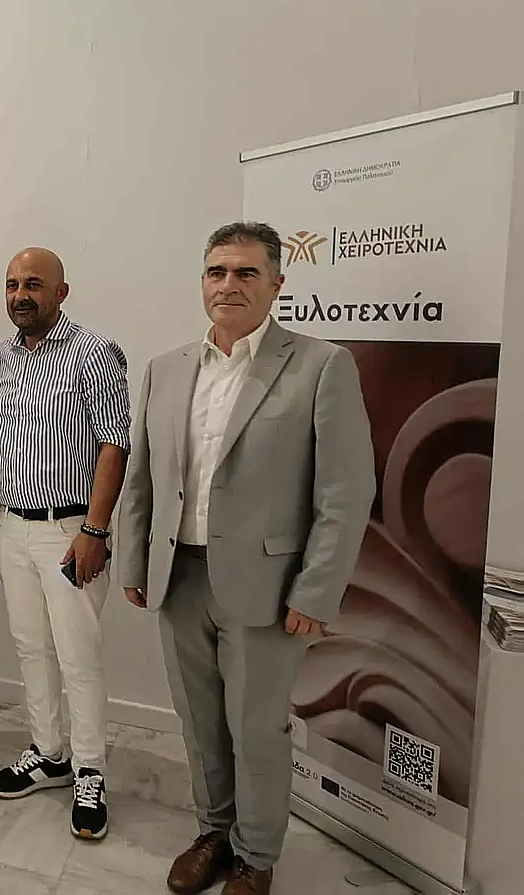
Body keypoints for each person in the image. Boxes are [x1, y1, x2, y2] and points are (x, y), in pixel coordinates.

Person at [115, 222, 375, 895]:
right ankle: (213, 833)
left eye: (245, 273)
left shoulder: (320, 365)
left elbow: (346, 492)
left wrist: (316, 591)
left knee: (256, 729)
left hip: (269, 585)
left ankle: (256, 855)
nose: (228, 284)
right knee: (199, 720)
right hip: (180, 577)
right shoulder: (166, 369)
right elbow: (143, 477)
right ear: (202, 281)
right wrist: (135, 562)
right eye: (216, 271)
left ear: (277, 284)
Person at [0, 247, 131, 842]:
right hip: (12, 526)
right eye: (12, 285)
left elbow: (115, 445)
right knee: (30, 647)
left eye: (34, 284)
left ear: (61, 292)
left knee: (78, 656)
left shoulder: (95, 351)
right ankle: (49, 753)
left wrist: (95, 531)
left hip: (70, 531)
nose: (21, 295)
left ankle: (90, 769)